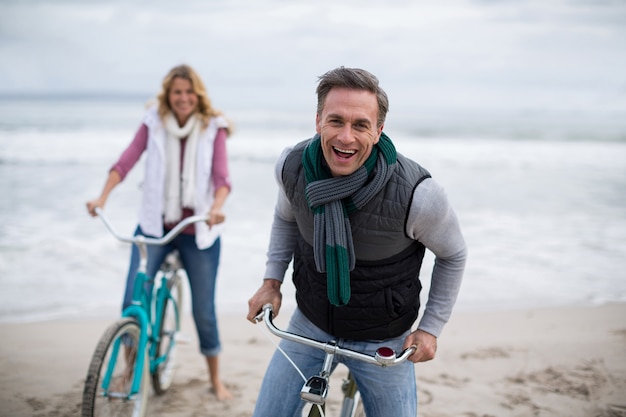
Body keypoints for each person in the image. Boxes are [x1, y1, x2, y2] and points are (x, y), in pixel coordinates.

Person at [246, 66, 467, 416]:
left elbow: (453, 255)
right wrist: (271, 282)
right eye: (336, 121)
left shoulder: (418, 195)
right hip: (311, 321)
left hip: (383, 337)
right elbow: (285, 219)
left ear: (379, 131)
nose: (346, 137)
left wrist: (429, 329)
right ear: (318, 121)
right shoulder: (292, 167)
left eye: (360, 124)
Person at [87, 64, 233, 401]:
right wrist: (102, 197)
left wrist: (215, 208)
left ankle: (216, 378)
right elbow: (126, 161)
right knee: (131, 300)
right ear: (168, 95)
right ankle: (129, 370)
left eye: (188, 91)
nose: (183, 98)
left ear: (198, 95)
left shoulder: (214, 126)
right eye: (176, 92)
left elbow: (222, 178)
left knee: (203, 311)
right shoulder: (153, 122)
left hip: (196, 229)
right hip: (154, 226)